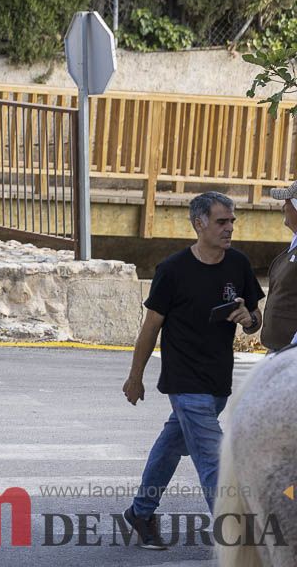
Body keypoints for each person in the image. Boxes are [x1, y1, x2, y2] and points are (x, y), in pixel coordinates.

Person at [121, 191, 262, 549]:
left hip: (217, 381)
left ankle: (140, 512)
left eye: (231, 221)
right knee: (212, 456)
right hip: (184, 381)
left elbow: (254, 320)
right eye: (221, 221)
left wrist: (249, 319)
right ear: (199, 224)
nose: (229, 228)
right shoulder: (172, 270)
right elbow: (150, 328)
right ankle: (236, 538)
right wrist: (135, 376)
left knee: (170, 446)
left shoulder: (239, 265)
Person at [262, 180, 297, 350]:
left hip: (290, 353)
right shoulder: (294, 244)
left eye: (287, 202)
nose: (284, 207)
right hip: (280, 350)